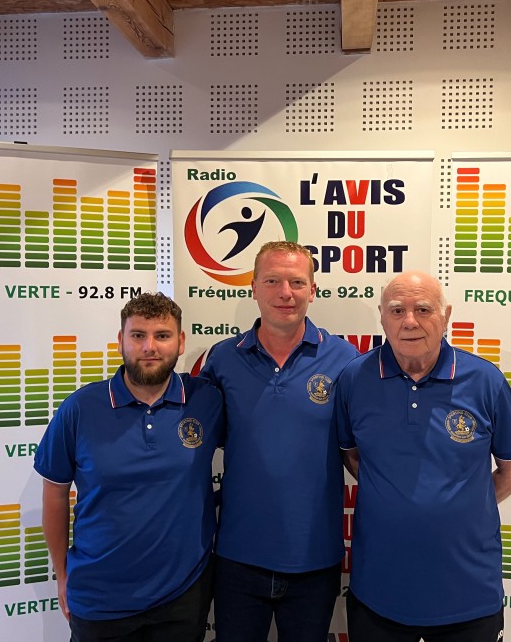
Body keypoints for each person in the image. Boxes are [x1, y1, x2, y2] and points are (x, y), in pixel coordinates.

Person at [334, 271, 511, 642]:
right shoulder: (354, 379)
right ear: (382, 317)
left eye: (423, 309)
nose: (410, 321)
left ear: (446, 315)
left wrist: (460, 505)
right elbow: (353, 457)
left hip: (469, 594)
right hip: (379, 591)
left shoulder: (485, 381)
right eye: (397, 310)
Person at [35, 292, 223, 642]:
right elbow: (55, 494)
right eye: (138, 335)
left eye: (162, 335)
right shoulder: (80, 408)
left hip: (183, 598)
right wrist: (62, 575)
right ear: (121, 340)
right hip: (100, 599)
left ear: (181, 342)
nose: (149, 347)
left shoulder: (206, 400)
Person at [198, 240, 359, 642]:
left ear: (313, 290)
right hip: (238, 555)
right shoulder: (222, 359)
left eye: (297, 282)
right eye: (272, 281)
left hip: (315, 557)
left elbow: (362, 447)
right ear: (253, 287)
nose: (285, 293)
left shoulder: (346, 359)